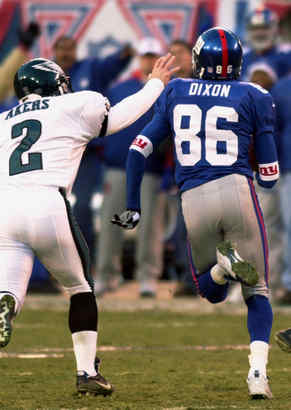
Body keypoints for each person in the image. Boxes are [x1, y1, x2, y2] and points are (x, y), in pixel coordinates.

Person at [112, 27, 279, 399]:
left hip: (192, 197)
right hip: (236, 189)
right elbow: (269, 177)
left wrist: (133, 206)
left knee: (210, 290)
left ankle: (223, 267)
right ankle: (257, 373)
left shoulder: (176, 90)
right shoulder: (254, 94)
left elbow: (138, 149)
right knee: (258, 290)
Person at [0, 54, 177, 395]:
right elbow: (122, 117)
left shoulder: (4, 119)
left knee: (8, 290)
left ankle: (5, 302)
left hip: (5, 207)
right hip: (46, 201)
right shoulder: (77, 104)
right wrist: (155, 83)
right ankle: (86, 373)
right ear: (54, 84)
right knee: (80, 288)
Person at [53, 35, 134, 264]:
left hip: (86, 156)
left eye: (70, 48)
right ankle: (55, 263)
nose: (67, 52)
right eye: (62, 48)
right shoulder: (47, 76)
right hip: (56, 154)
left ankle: (83, 260)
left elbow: (111, 65)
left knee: (83, 209)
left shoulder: (90, 69)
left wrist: (123, 56)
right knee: (53, 208)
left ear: (76, 49)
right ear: (55, 50)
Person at [96, 38, 165, 297]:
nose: (148, 60)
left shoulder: (165, 90)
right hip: (117, 165)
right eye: (145, 55)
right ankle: (106, 276)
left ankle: (147, 278)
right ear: (138, 57)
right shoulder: (119, 88)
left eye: (153, 56)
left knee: (149, 227)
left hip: (150, 167)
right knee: (112, 222)